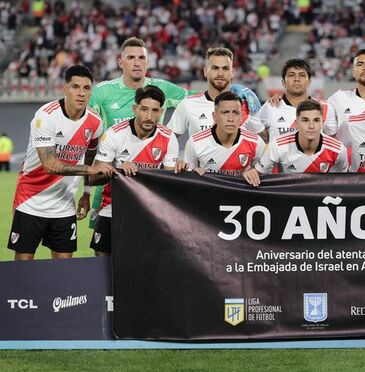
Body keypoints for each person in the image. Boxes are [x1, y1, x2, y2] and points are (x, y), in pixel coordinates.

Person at [7, 65, 114, 261]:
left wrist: (87, 192)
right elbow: (50, 165)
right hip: (31, 200)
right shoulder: (46, 116)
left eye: (86, 88)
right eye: (75, 87)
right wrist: (90, 169)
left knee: (64, 269)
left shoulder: (95, 122)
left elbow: (90, 155)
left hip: (65, 204)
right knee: (23, 267)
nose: (81, 93)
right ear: (65, 89)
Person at [88, 86, 183, 256]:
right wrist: (117, 171)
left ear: (161, 112)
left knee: (146, 262)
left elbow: (168, 182)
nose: (149, 116)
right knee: (102, 260)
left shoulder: (168, 138)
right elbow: (93, 178)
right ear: (135, 109)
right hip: (113, 208)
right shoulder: (114, 134)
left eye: (155, 111)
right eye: (144, 109)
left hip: (149, 210)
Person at [244, 99, 349, 186]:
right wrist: (251, 173)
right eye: (305, 120)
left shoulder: (338, 150)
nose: (311, 126)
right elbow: (257, 174)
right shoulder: (278, 145)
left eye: (316, 120)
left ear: (322, 123)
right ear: (296, 123)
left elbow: (342, 183)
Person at [167, 47, 262, 139]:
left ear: (232, 72)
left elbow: (266, 143)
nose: (220, 73)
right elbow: (166, 141)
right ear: (205, 71)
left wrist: (273, 103)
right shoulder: (188, 104)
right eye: (215, 68)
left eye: (225, 68)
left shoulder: (245, 103)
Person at [253, 58, 337, 143]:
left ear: (309, 82)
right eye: (291, 75)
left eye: (302, 75)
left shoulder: (325, 108)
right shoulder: (270, 107)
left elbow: (332, 140)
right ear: (283, 82)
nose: (297, 79)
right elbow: (256, 138)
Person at [184, 91, 266, 176]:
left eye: (235, 113)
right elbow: (188, 179)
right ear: (215, 117)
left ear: (241, 117)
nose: (230, 119)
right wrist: (193, 173)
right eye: (225, 112)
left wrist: (255, 172)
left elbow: (265, 177)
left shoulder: (256, 143)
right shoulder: (195, 142)